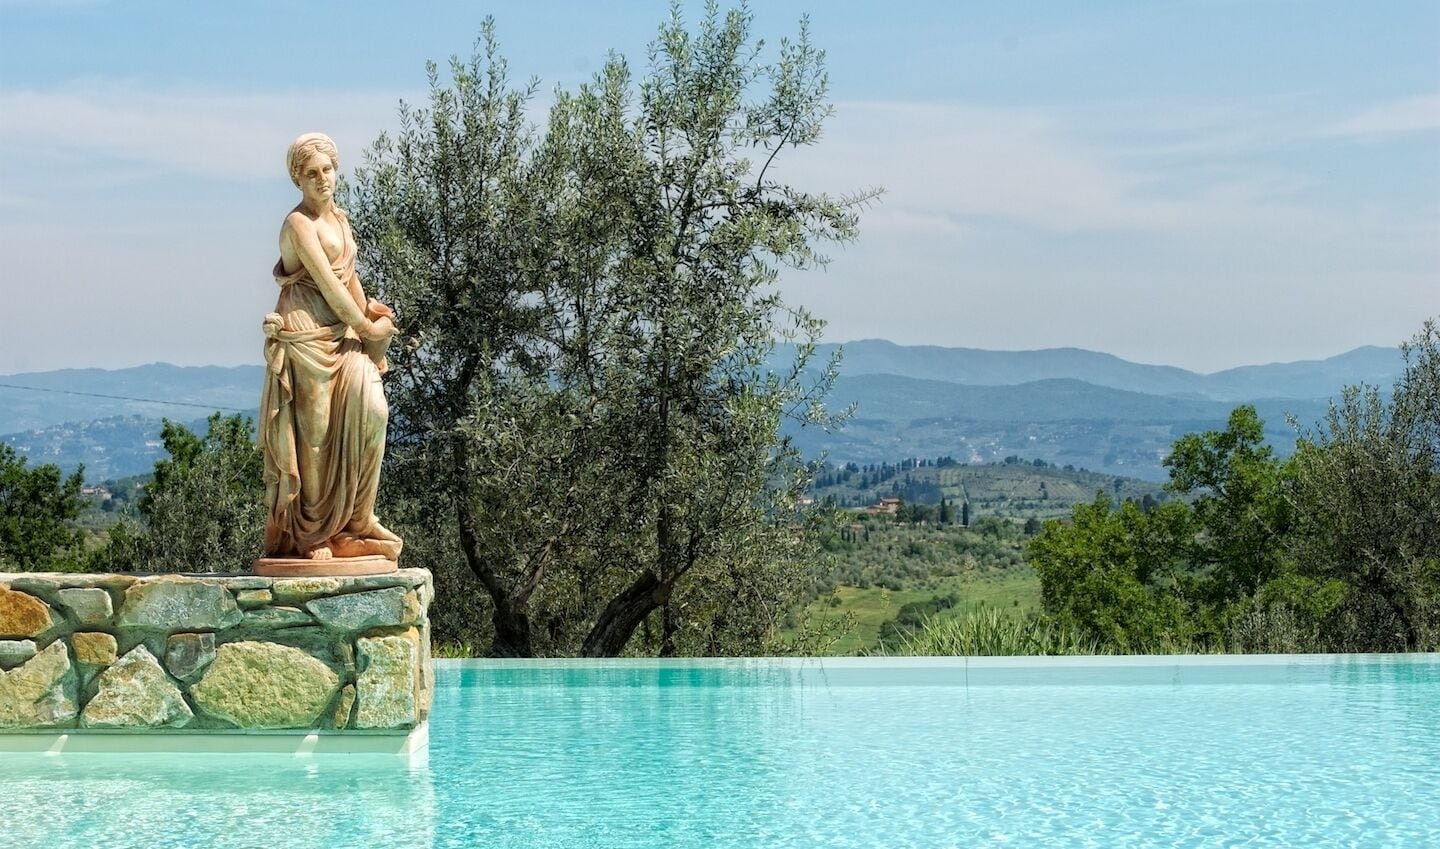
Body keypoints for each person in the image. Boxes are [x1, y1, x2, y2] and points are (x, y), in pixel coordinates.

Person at [259, 132, 402, 562]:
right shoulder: (297, 224)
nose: (322, 179)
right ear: (298, 181)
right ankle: (313, 533)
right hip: (307, 336)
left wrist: (370, 313)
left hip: (343, 334)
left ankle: (359, 518)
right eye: (311, 174)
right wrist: (365, 327)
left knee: (374, 411)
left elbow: (348, 279)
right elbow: (324, 282)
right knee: (316, 435)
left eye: (327, 170)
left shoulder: (339, 220)